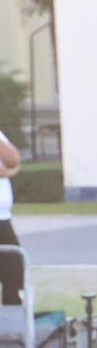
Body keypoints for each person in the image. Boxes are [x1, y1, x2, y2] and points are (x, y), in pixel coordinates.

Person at [0, 126, 20, 306]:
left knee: (13, 272)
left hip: (2, 219)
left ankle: (11, 328)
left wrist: (9, 171)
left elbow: (12, 160)